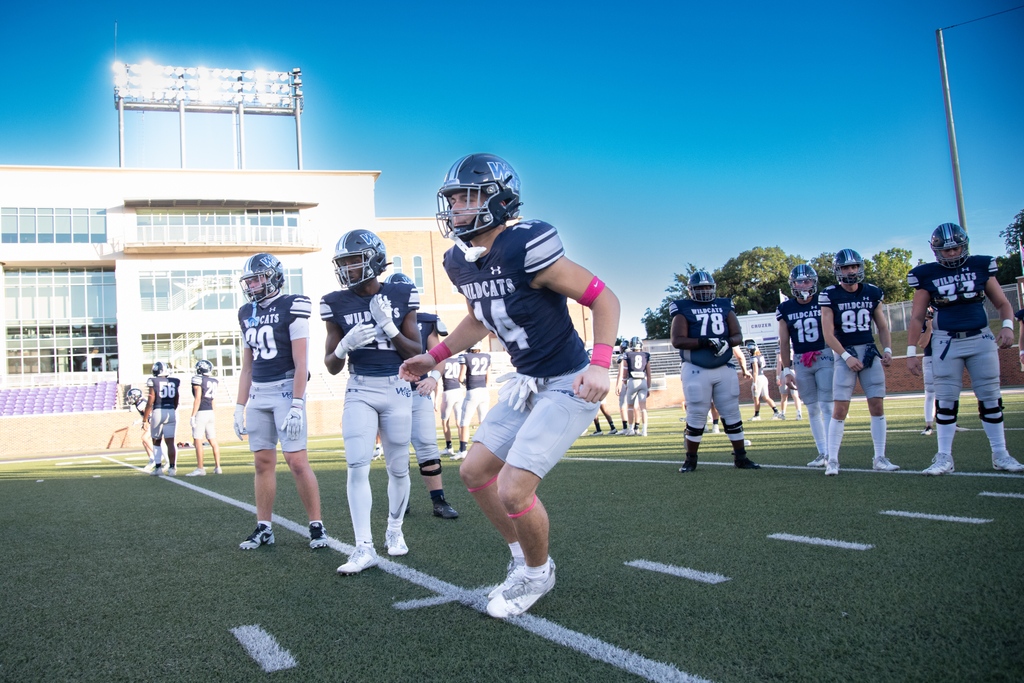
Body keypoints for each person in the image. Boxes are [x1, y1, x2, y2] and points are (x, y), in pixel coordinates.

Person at [400, 153, 620, 619]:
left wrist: (601, 364)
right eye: (452, 198)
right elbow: (481, 317)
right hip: (525, 381)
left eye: (466, 196)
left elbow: (604, 298)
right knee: (475, 472)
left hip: (567, 380)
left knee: (514, 489)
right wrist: (434, 356)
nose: (455, 206)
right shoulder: (459, 260)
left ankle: (540, 575)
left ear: (498, 198)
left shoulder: (526, 245)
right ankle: (523, 560)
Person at [322, 230, 422, 574]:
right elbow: (332, 367)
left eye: (354, 259)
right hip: (360, 388)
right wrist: (343, 346)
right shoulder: (335, 301)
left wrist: (390, 329)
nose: (349, 268)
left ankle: (394, 530)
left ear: (374, 259)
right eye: (344, 262)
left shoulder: (402, 292)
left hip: (396, 386)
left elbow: (416, 352)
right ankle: (363, 547)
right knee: (357, 465)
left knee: (398, 467)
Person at [906, 224, 1024, 475]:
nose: (951, 254)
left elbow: (1003, 303)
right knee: (946, 401)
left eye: (955, 248)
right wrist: (910, 352)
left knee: (991, 398)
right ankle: (944, 457)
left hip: (980, 339)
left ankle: (1000, 454)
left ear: (964, 245)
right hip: (946, 342)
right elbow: (916, 318)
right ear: (935, 250)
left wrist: (1007, 327)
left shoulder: (980, 266)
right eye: (945, 250)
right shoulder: (925, 275)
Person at [233, 252, 328, 551]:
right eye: (249, 279)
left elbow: (302, 362)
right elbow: (247, 366)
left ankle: (316, 526)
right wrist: (239, 405)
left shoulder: (292, 305)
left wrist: (298, 403)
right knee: (262, 462)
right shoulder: (245, 312)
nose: (252, 284)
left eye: (257, 277)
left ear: (273, 276)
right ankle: (264, 527)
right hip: (259, 392)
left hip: (286, 389)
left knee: (297, 460)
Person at [383, 272, 459, 519]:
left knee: (427, 444)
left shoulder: (425, 321)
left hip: (417, 392)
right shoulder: (378, 319)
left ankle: (439, 501)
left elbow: (439, 356)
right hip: (391, 391)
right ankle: (400, 500)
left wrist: (433, 378)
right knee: (396, 449)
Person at [819, 249, 900, 476]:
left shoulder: (872, 292)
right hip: (845, 354)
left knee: (877, 405)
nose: (851, 271)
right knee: (840, 409)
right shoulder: (829, 295)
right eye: (846, 267)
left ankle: (880, 457)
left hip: (870, 353)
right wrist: (846, 356)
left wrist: (888, 350)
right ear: (838, 270)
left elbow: (882, 326)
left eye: (854, 266)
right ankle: (833, 460)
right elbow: (828, 334)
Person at [671, 270, 759, 473]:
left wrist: (725, 341)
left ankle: (741, 457)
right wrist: (704, 341)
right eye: (699, 288)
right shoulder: (683, 309)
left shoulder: (725, 305)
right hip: (696, 367)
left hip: (724, 366)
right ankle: (690, 460)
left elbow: (737, 335)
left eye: (707, 287)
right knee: (696, 412)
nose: (704, 291)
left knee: (731, 411)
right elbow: (677, 340)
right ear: (691, 290)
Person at [777, 264, 834, 467]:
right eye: (798, 281)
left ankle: (832, 453)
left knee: (827, 406)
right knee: (811, 408)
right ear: (792, 285)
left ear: (814, 282)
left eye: (807, 281)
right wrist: (786, 369)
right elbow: (784, 342)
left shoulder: (824, 301)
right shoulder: (785, 308)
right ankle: (822, 452)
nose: (803, 285)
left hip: (824, 354)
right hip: (801, 359)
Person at [453, 344, 492, 459]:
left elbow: (460, 378)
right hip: (484, 391)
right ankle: (485, 449)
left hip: (472, 391)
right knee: (483, 421)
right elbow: (488, 378)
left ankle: (463, 450)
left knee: (464, 422)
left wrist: (466, 383)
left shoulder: (465, 357)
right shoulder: (487, 356)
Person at [142, 361, 180, 476]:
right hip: (171, 411)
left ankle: (158, 468)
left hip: (158, 410)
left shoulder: (153, 381)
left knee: (156, 441)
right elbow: (176, 398)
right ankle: (172, 468)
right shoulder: (174, 381)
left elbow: (150, 401)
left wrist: (144, 419)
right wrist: (173, 408)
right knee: (170, 442)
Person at [186, 359, 223, 476]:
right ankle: (218, 467)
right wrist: (213, 413)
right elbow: (213, 400)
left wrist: (192, 415)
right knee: (213, 440)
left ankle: (200, 468)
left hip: (201, 412)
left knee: (197, 440)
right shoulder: (214, 380)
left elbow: (198, 398)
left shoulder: (198, 379)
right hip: (210, 412)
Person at [616, 337, 651, 436]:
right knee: (643, 408)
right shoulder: (646, 355)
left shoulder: (628, 354)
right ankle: (644, 431)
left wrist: (625, 383)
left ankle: (631, 429)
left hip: (632, 381)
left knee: (630, 406)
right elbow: (649, 373)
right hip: (642, 381)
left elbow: (625, 370)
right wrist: (648, 387)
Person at [745, 341, 781, 421]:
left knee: (756, 398)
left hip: (758, 378)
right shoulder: (760, 356)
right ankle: (776, 411)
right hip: (763, 377)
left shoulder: (754, 358)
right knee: (766, 397)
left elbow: (755, 371)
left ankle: (757, 415)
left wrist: (754, 383)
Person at [439, 355, 466, 456]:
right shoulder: (457, 360)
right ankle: (462, 448)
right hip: (459, 391)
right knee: (459, 422)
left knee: (445, 421)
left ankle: (449, 447)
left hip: (448, 392)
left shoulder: (443, 361)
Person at [127, 387, 158, 471]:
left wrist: (145, 422)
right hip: (152, 421)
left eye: (131, 397)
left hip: (154, 421)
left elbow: (148, 414)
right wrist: (140, 421)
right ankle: (152, 459)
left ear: (136, 396)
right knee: (144, 442)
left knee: (144, 438)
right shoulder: (139, 404)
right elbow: (145, 415)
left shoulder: (141, 404)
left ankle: (158, 455)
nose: (130, 399)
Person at [775, 348, 803, 420]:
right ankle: (799, 413)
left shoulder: (780, 349)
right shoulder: (793, 348)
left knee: (784, 395)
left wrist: (778, 377)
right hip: (794, 370)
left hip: (784, 371)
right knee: (795, 395)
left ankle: (783, 413)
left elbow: (779, 362)